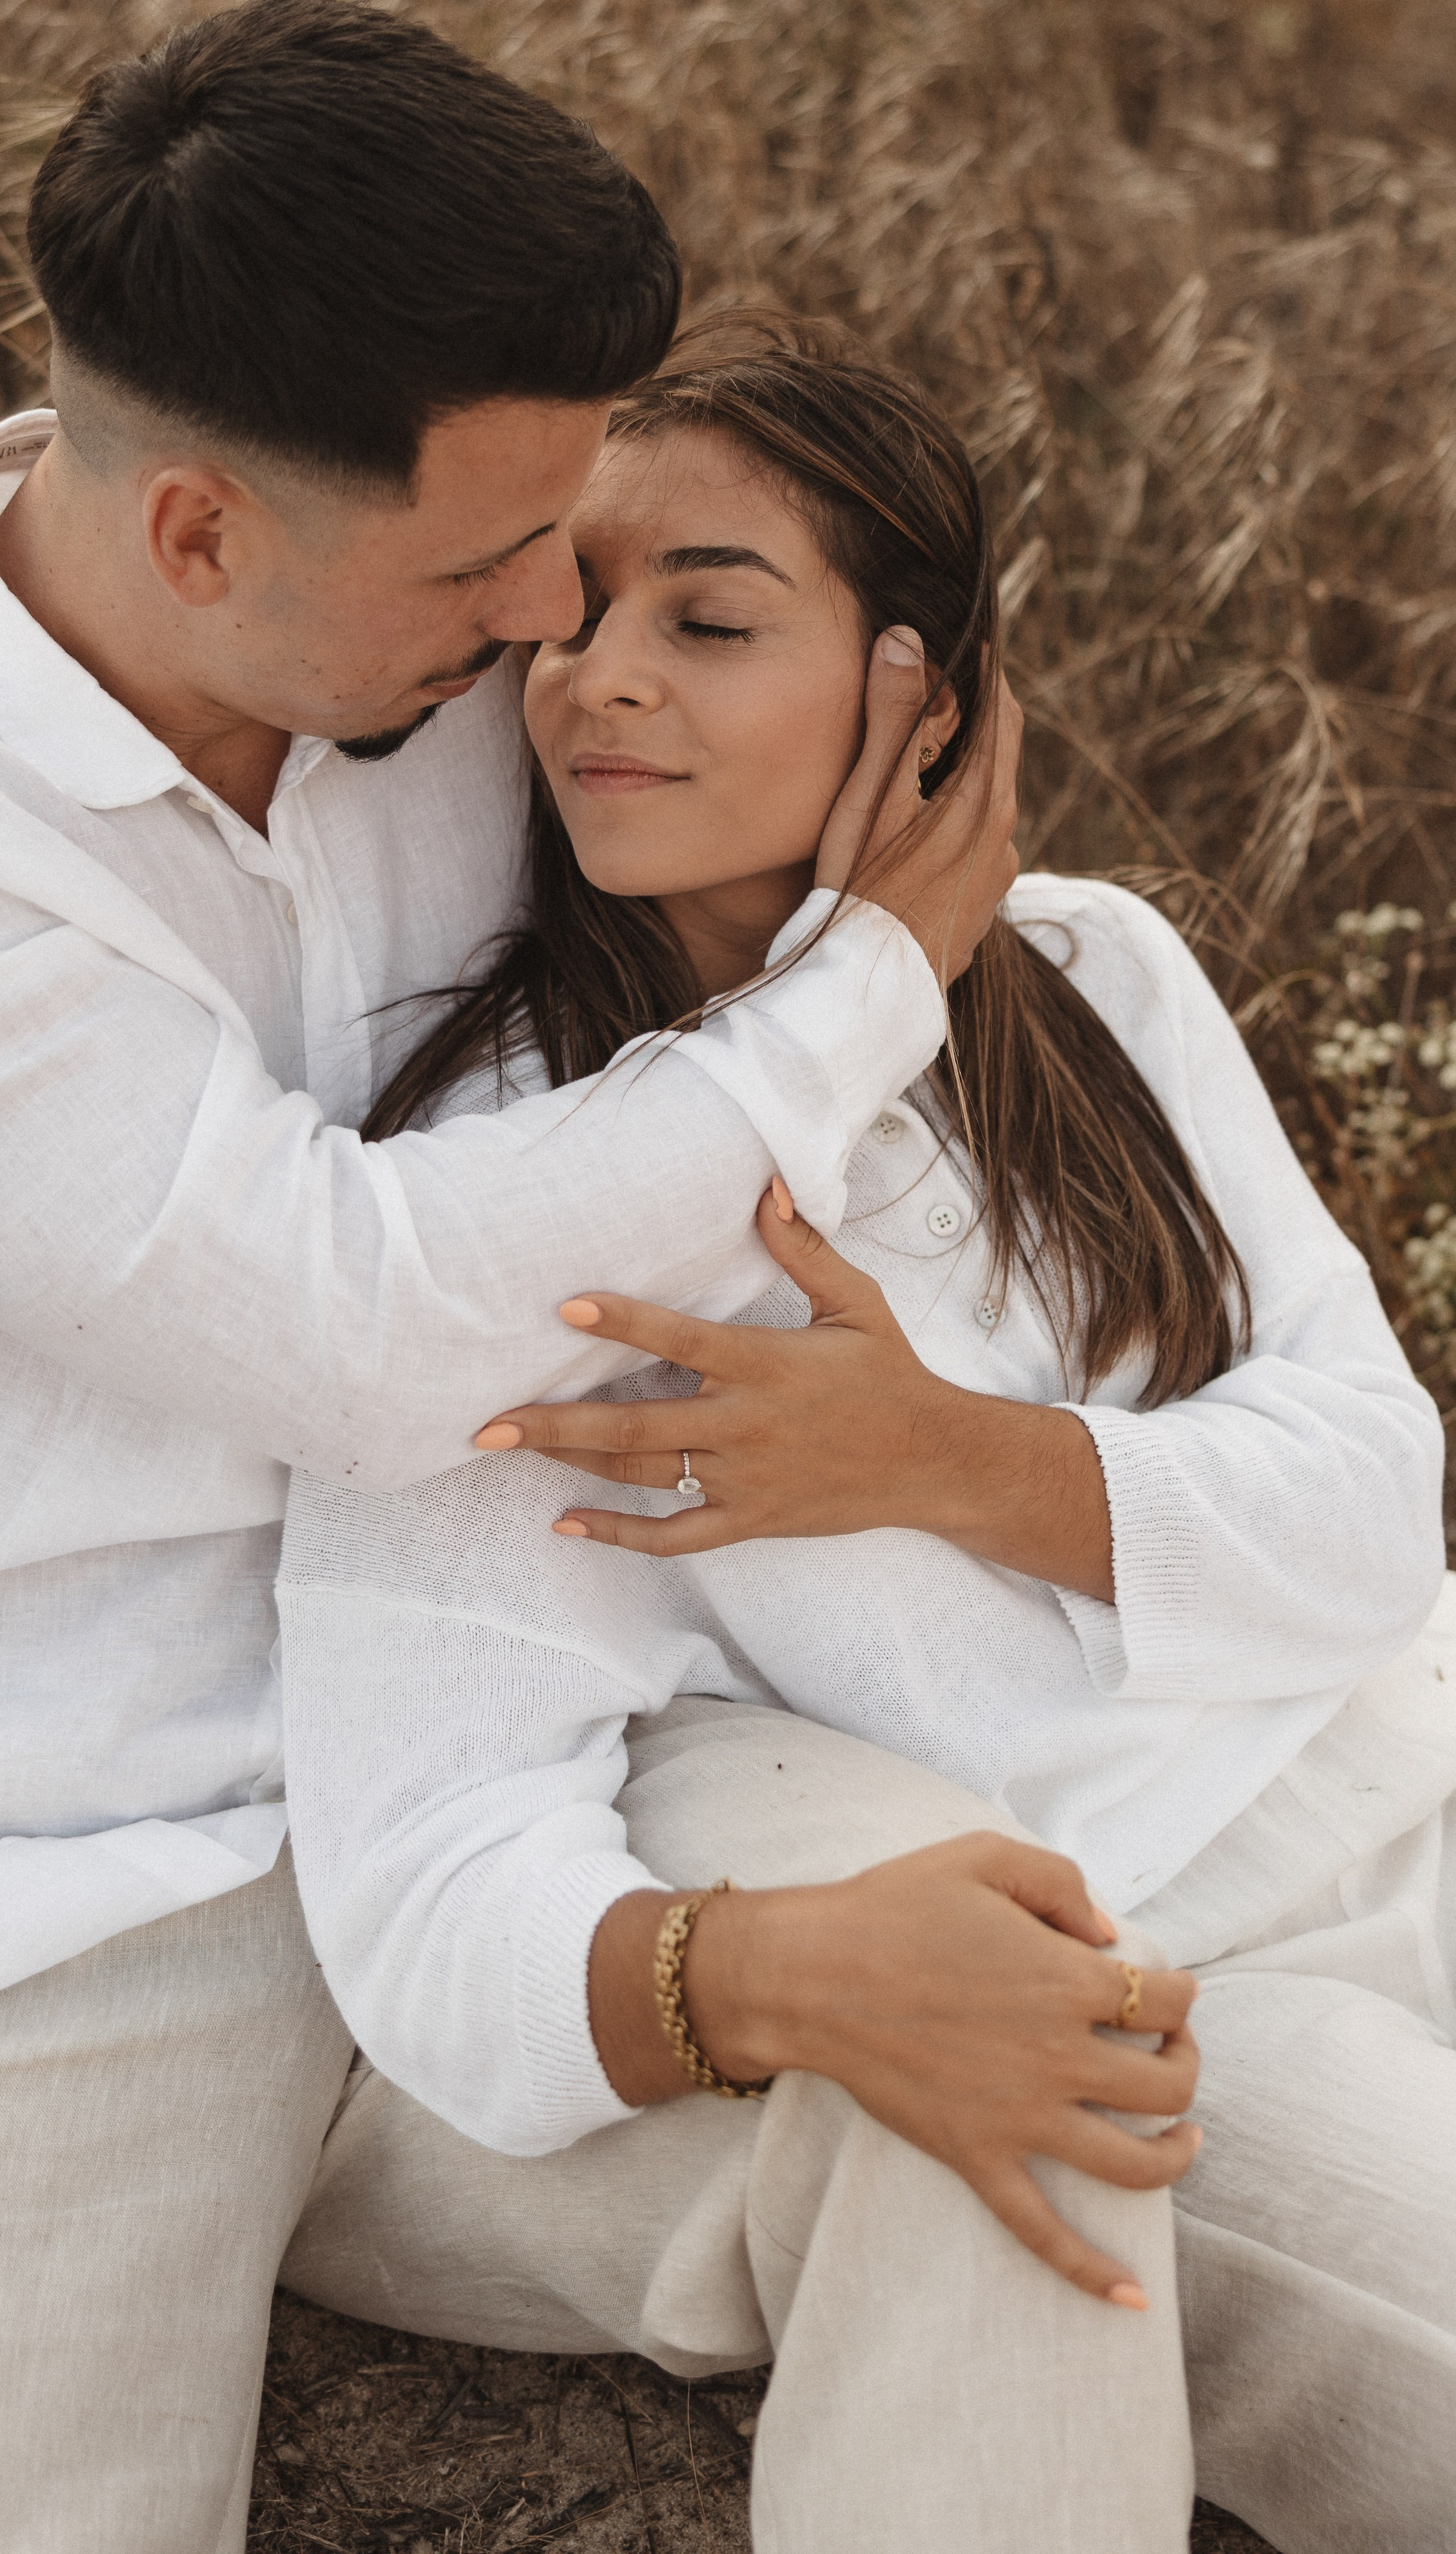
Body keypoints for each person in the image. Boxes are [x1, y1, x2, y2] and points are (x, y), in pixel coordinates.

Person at [0, 0, 1196, 2554]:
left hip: (575, 1748)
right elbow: (356, 1330)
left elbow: (847, 793)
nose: (553, 630)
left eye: (581, 540)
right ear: (199, 538)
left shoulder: (455, 648)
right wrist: (858, 993)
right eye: (493, 564)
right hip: (46, 1885)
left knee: (1025, 2060)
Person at [273, 326, 1456, 2554]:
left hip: (1414, 1767)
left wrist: (940, 1454)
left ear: (923, 696)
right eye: (578, 612)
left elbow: (1376, 1502)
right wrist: (767, 1978)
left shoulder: (1093, 974)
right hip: (1169, 1960)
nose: (600, 680)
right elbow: (430, 1878)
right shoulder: (533, 1203)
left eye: (708, 620)